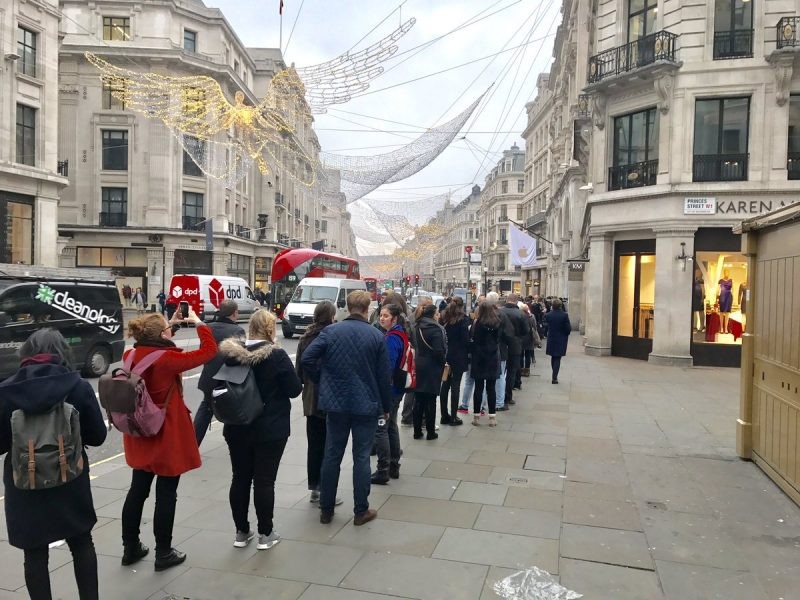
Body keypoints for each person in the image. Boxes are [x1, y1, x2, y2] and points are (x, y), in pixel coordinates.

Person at [0, 329, 107, 600]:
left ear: (26, 353)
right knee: (82, 543)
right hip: (70, 479)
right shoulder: (77, 385)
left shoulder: (7, 390)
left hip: (25, 483)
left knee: (34, 553)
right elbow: (97, 436)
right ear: (63, 353)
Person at [121, 307, 217, 571]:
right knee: (166, 494)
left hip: (139, 433)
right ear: (161, 334)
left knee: (137, 491)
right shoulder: (167, 360)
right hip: (164, 436)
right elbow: (209, 351)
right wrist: (199, 323)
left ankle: (130, 548)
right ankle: (163, 552)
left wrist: (169, 325)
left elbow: (150, 349)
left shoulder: (129, 355)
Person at [301, 290, 392, 526]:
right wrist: (386, 405)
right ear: (367, 308)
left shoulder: (331, 332)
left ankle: (326, 510)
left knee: (332, 455)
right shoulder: (375, 336)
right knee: (361, 457)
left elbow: (307, 359)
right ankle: (361, 510)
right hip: (366, 403)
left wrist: (323, 380)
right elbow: (384, 376)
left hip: (336, 404)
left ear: (348, 307)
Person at [218, 309, 302, 551]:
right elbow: (294, 389)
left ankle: (241, 532)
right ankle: (266, 533)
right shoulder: (276, 356)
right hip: (270, 428)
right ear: (269, 329)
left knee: (240, 477)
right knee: (264, 481)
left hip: (237, 425)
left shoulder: (232, 355)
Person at [296, 301, 342, 506]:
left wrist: (308, 382)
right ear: (331, 316)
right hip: (330, 397)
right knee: (329, 446)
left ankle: (314, 488)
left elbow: (299, 369)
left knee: (314, 444)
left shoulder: (305, 338)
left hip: (310, 398)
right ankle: (326, 490)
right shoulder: (334, 336)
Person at [195, 300, 245, 445]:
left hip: (209, 377)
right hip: (228, 379)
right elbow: (240, 356)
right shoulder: (237, 331)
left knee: (206, 408)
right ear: (234, 313)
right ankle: (233, 441)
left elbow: (202, 352)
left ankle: (193, 443)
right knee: (231, 409)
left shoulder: (208, 328)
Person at [372, 303, 407, 483]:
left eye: (386, 316)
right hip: (397, 388)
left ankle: (383, 469)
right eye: (381, 315)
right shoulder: (400, 333)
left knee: (381, 428)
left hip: (389, 390)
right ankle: (394, 465)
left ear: (394, 318)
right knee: (391, 426)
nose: (382, 318)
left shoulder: (392, 338)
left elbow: (388, 367)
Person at [413, 303, 447, 440]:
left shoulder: (417, 326)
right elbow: (438, 351)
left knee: (418, 399)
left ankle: (417, 431)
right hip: (432, 366)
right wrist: (443, 362)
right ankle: (430, 431)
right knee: (431, 400)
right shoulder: (435, 329)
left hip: (419, 363)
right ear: (434, 314)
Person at [470, 300, 502, 427]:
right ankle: (492, 417)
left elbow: (473, 338)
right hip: (492, 357)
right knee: (491, 388)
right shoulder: (497, 323)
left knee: (478, 388)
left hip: (479, 358)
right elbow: (498, 339)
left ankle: (476, 416)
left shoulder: (477, 323)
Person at [439, 297, 469, 426]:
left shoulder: (443, 317)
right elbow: (465, 340)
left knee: (445, 384)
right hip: (459, 356)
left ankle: (444, 415)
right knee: (455, 385)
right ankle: (454, 417)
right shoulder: (463, 319)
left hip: (446, 355)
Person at [499, 293, 530, 405]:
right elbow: (526, 331)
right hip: (515, 345)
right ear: (516, 301)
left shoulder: (499, 311)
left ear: (507, 300)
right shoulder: (521, 313)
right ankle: (508, 396)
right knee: (511, 371)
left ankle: (498, 396)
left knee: (500, 372)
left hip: (501, 345)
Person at [545, 298, 571, 384]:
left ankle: (554, 374)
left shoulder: (548, 315)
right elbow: (568, 328)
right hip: (561, 338)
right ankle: (554, 377)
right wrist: (566, 334)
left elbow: (545, 325)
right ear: (560, 306)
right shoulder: (564, 315)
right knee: (557, 357)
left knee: (553, 356)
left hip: (552, 337)